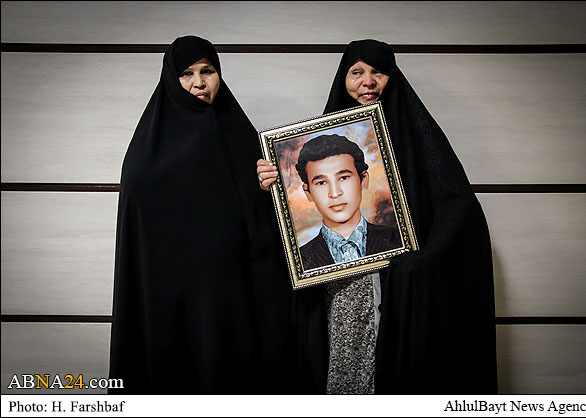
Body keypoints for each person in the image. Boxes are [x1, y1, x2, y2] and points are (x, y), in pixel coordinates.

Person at [257, 39, 497, 394]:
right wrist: (273, 188)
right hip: (336, 290)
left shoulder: (417, 135)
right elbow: (281, 235)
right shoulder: (316, 143)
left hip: (397, 289)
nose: (367, 81)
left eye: (378, 72)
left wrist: (423, 259)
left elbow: (456, 203)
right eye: (356, 72)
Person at [109, 35, 298, 394]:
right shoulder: (147, 154)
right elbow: (143, 239)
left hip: (235, 295)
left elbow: (273, 222)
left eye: (208, 71)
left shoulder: (240, 136)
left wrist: (270, 188)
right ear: (171, 79)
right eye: (187, 74)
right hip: (175, 301)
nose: (199, 82)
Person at [295, 133, 401, 270]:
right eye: (321, 183)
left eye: (344, 178)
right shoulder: (298, 261)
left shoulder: (400, 239)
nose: (335, 193)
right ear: (308, 192)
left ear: (363, 180)